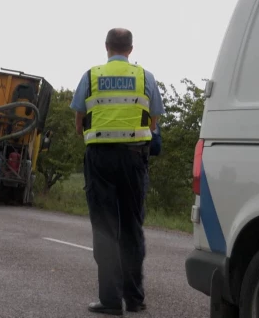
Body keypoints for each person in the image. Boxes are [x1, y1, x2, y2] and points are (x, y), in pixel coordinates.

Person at [70, 28, 165, 315]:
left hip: (100, 159)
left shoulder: (91, 76)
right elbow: (154, 121)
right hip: (134, 158)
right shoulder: (145, 77)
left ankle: (110, 302)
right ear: (131, 49)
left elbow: (78, 123)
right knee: (132, 229)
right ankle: (134, 299)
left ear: (107, 47)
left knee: (105, 228)